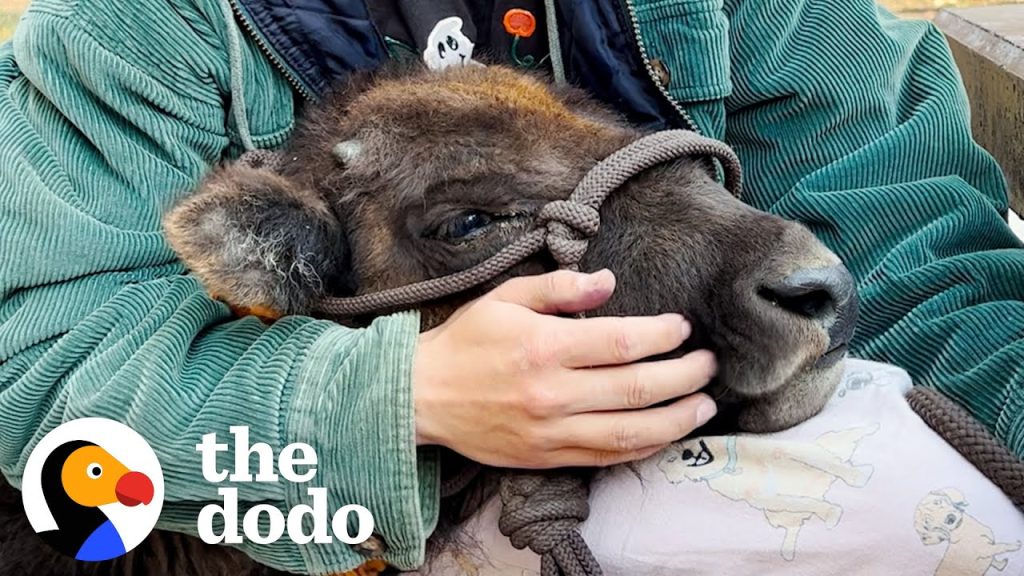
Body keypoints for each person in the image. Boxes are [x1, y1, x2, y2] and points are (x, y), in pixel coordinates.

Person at [0, 0, 1019, 574]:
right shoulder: (141, 27)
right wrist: (408, 398)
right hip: (343, 497)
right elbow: (40, 359)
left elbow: (914, 247)